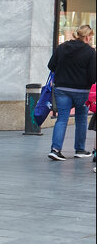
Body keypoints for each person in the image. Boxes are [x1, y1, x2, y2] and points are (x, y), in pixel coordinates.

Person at [46, 24, 96, 161]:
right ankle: (79, 149)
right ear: (87, 37)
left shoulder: (62, 47)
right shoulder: (90, 52)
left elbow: (51, 65)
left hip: (62, 89)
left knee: (62, 119)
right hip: (82, 91)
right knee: (81, 119)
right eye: (91, 36)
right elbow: (93, 76)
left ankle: (55, 150)